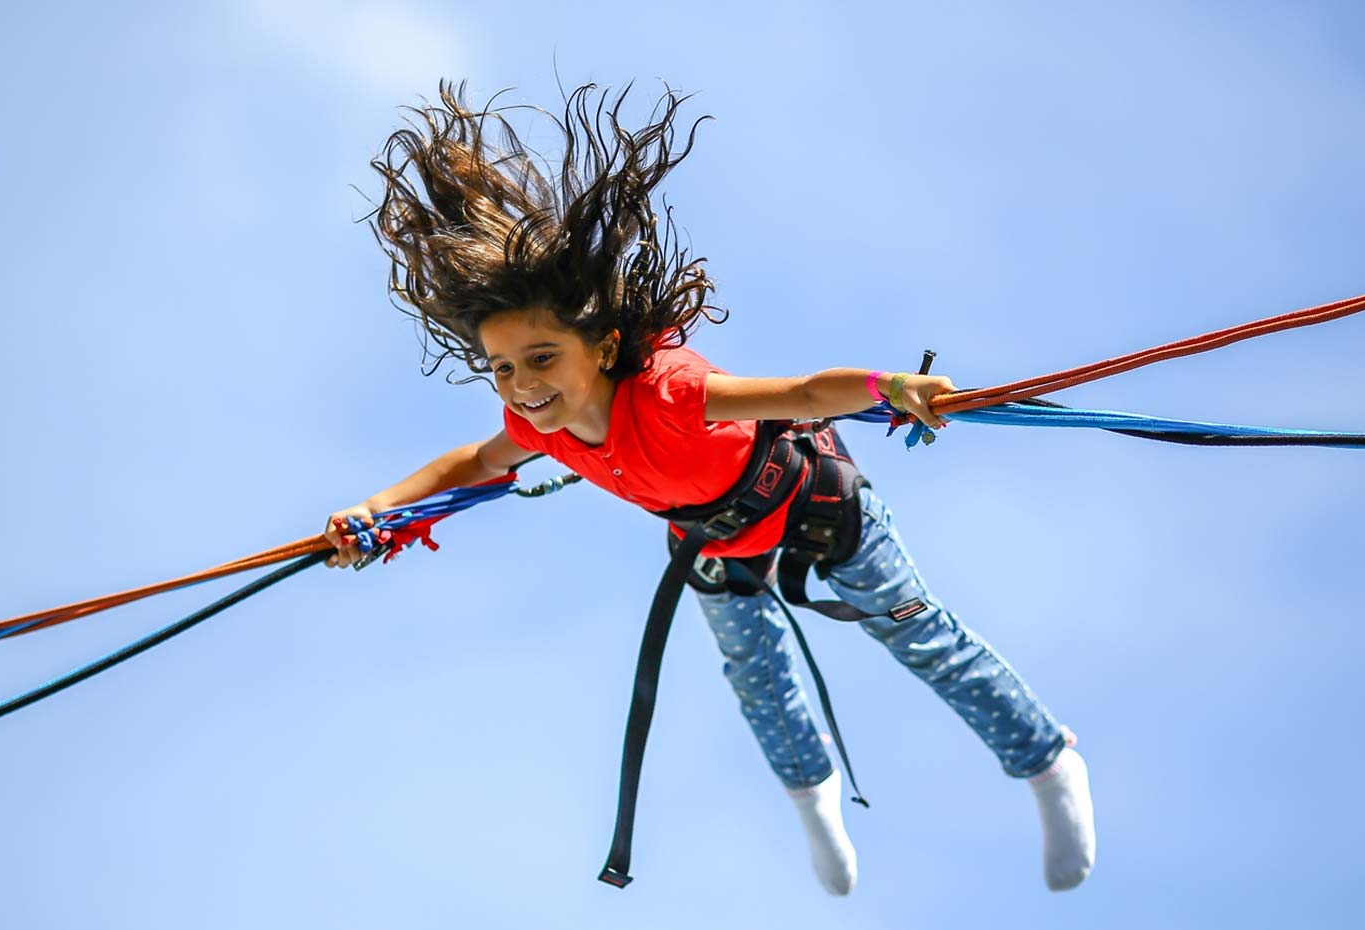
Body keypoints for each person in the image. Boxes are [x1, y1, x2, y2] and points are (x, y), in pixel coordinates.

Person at [321, 80, 1095, 895]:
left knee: (921, 640)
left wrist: (892, 386)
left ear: (603, 345)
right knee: (758, 684)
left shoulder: (671, 391)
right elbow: (475, 464)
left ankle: (1048, 763)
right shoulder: (539, 428)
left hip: (820, 508)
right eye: (503, 368)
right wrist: (376, 512)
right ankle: (817, 807)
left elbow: (804, 393)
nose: (522, 386)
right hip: (718, 545)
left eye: (542, 359)